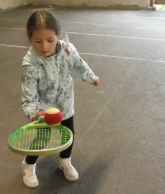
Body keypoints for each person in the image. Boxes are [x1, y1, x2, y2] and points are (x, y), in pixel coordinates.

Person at [21, 10, 99, 188]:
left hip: (65, 102)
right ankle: (28, 164)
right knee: (42, 137)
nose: (44, 47)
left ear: (58, 36)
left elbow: (80, 64)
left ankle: (64, 160)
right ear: (30, 39)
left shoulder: (67, 50)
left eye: (50, 40)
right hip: (44, 109)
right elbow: (28, 95)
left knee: (69, 134)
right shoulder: (30, 64)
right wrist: (34, 113)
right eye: (37, 41)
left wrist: (90, 76)